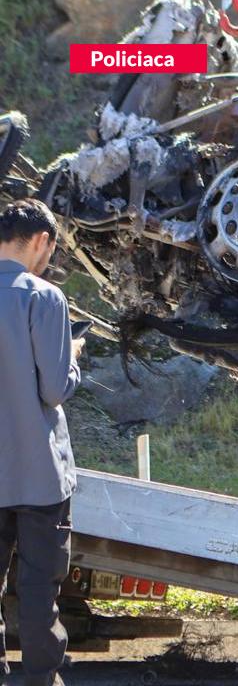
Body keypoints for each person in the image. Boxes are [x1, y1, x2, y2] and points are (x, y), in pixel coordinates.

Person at [0, 199, 84, 686]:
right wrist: (71, 355)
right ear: (41, 241)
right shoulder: (44, 298)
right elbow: (54, 388)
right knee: (37, 591)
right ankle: (39, 680)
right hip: (38, 475)